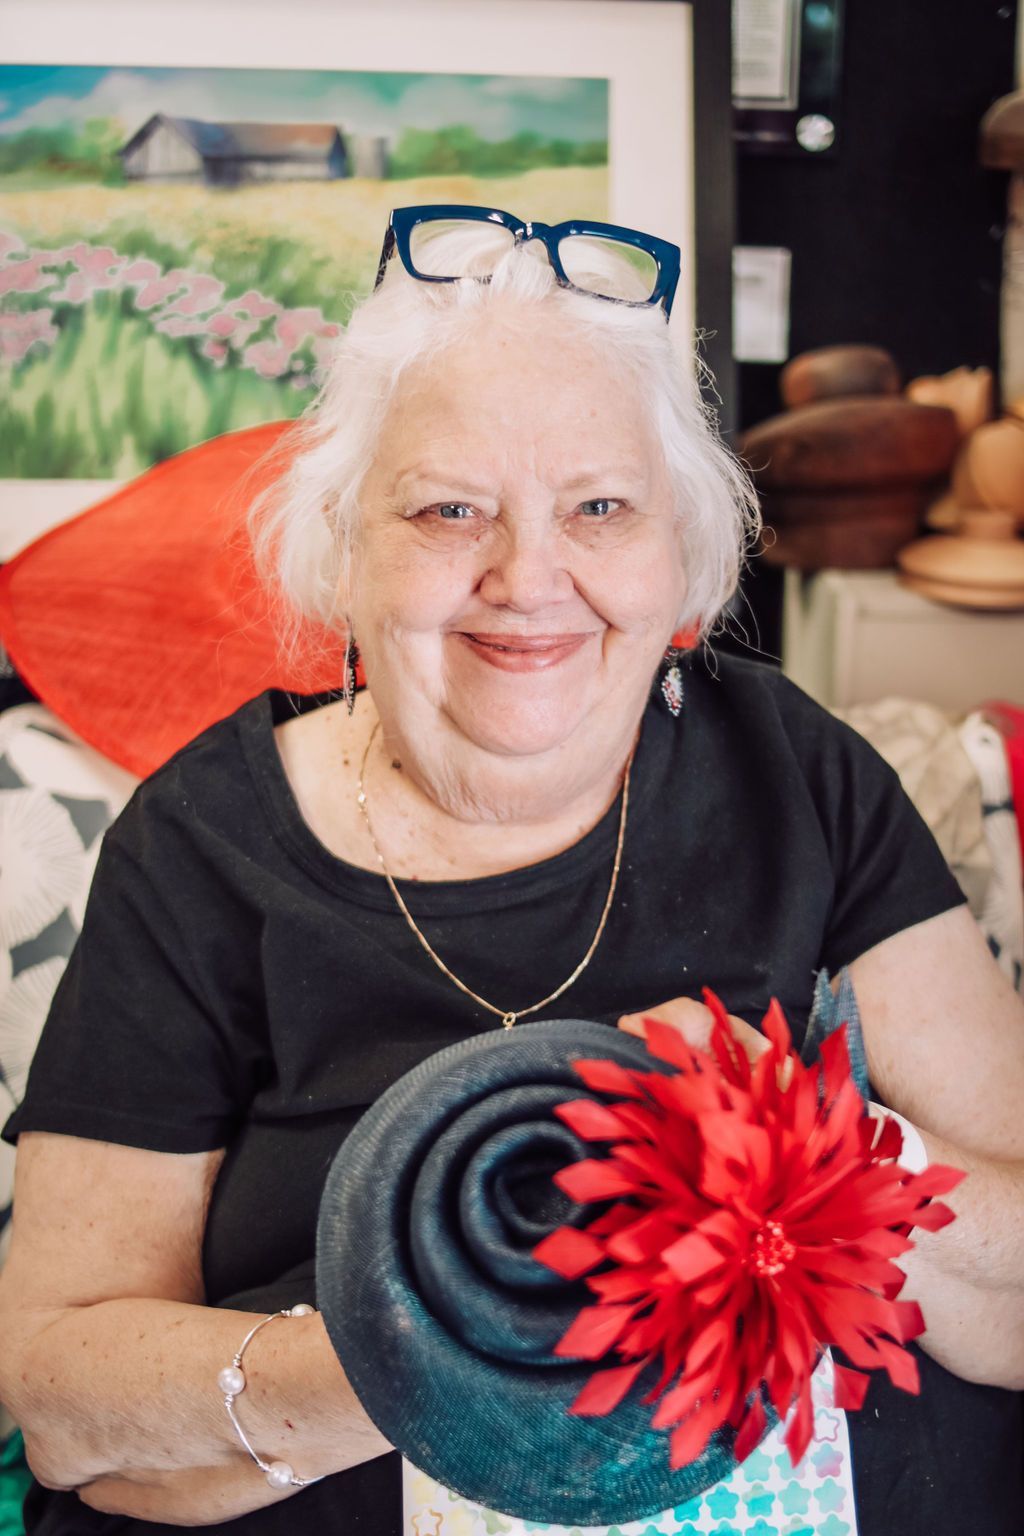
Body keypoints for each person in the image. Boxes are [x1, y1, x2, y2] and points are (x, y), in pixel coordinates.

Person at [0, 205, 1022, 1536]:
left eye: (599, 506)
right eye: (446, 510)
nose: (529, 578)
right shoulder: (201, 848)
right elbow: (62, 1406)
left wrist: (804, 1146)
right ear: (343, 552)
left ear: (681, 562)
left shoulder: (799, 774)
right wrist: (434, 1347)